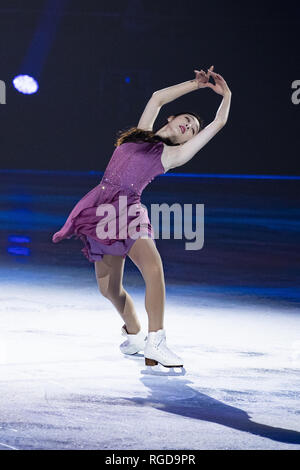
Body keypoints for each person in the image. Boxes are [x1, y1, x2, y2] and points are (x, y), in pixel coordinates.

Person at [52, 66, 232, 368]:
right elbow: (157, 97)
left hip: (129, 210)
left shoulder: (172, 155)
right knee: (108, 288)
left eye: (193, 129)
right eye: (186, 120)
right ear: (171, 119)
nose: (189, 127)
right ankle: (135, 333)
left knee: (153, 268)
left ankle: (156, 340)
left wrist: (225, 95)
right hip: (101, 208)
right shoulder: (140, 133)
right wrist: (196, 84)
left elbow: (218, 123)